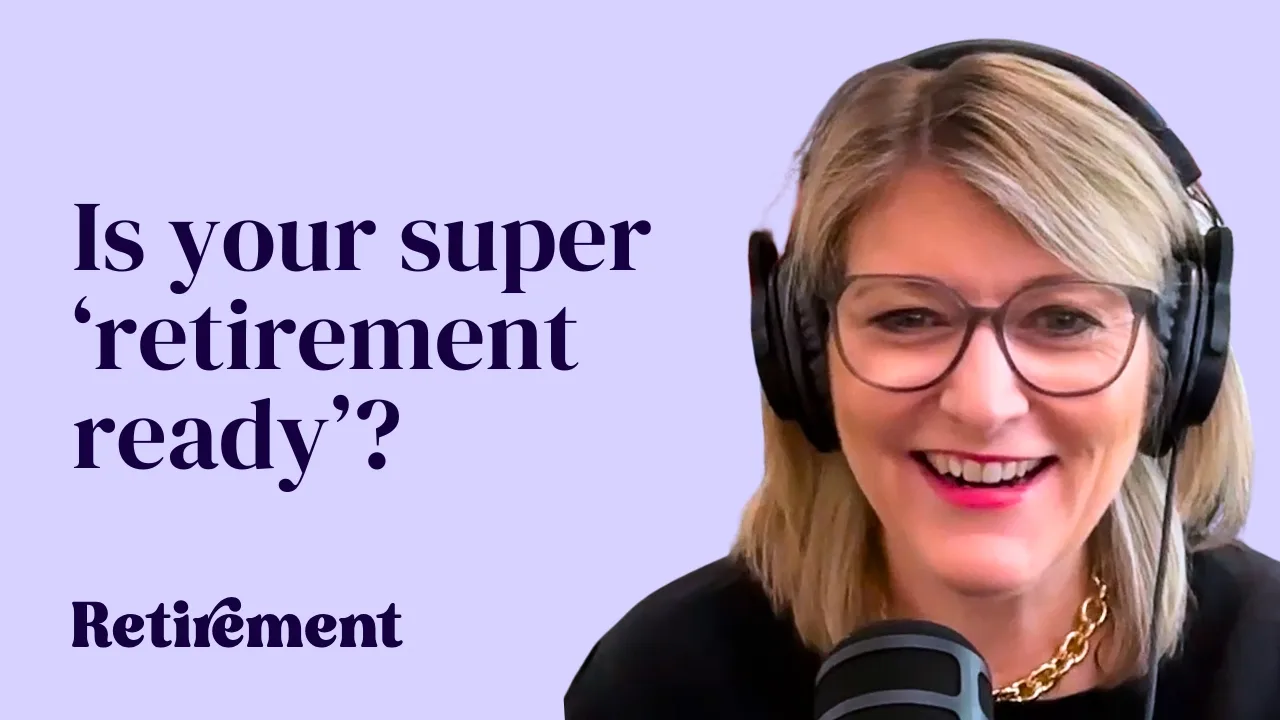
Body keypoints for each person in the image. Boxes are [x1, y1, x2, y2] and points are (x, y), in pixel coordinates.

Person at [563, 40, 1280, 719]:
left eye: (1063, 320)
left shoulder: (1264, 664)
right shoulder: (661, 682)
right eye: (908, 317)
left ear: (1175, 359)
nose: (983, 404)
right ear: (804, 352)